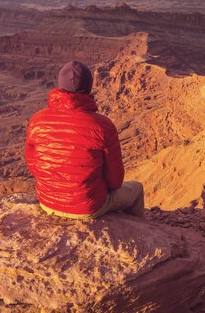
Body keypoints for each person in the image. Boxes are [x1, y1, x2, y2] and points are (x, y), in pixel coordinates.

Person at [25, 60, 145, 219]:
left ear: (59, 86)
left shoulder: (37, 120)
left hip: (48, 202)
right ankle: (138, 232)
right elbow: (115, 181)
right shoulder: (102, 126)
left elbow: (33, 165)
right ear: (89, 88)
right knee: (137, 189)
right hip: (88, 207)